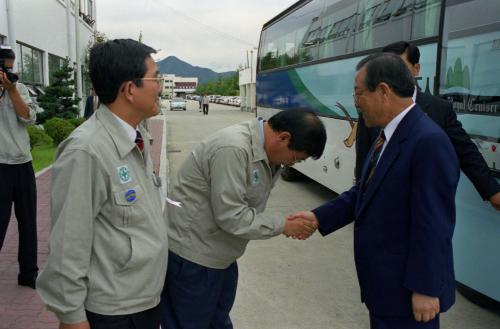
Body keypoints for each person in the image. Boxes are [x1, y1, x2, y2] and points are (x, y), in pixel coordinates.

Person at [290, 53, 459, 328]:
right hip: (385, 288)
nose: (355, 103)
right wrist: (319, 217)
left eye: (359, 93)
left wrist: (426, 288)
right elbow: (364, 192)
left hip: (408, 294)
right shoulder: (387, 134)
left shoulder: (428, 141)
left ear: (383, 91)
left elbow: (434, 222)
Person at [37, 39, 168, 329]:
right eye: (155, 78)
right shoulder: (86, 151)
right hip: (114, 313)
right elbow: (68, 244)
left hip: (144, 299)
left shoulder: (136, 136)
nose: (160, 86)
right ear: (130, 89)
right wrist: (72, 318)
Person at [160, 109, 326, 329]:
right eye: (296, 158)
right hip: (194, 261)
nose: (293, 164)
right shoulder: (233, 149)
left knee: (217, 322)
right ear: (283, 137)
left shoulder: (266, 152)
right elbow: (231, 216)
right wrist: (284, 225)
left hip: (221, 257)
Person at [355, 41, 500, 211]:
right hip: (381, 208)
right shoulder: (370, 111)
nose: (391, 75)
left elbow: (466, 152)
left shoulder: (440, 110)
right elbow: (364, 161)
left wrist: (492, 191)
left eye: (399, 67)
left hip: (420, 208)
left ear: (416, 69)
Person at [0, 45, 38, 289]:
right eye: (6, 69)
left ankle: (28, 274)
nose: (10, 73)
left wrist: (12, 90)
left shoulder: (20, 89)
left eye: (12, 69)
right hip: (0, 166)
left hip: (23, 164)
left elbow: (29, 117)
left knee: (28, 222)